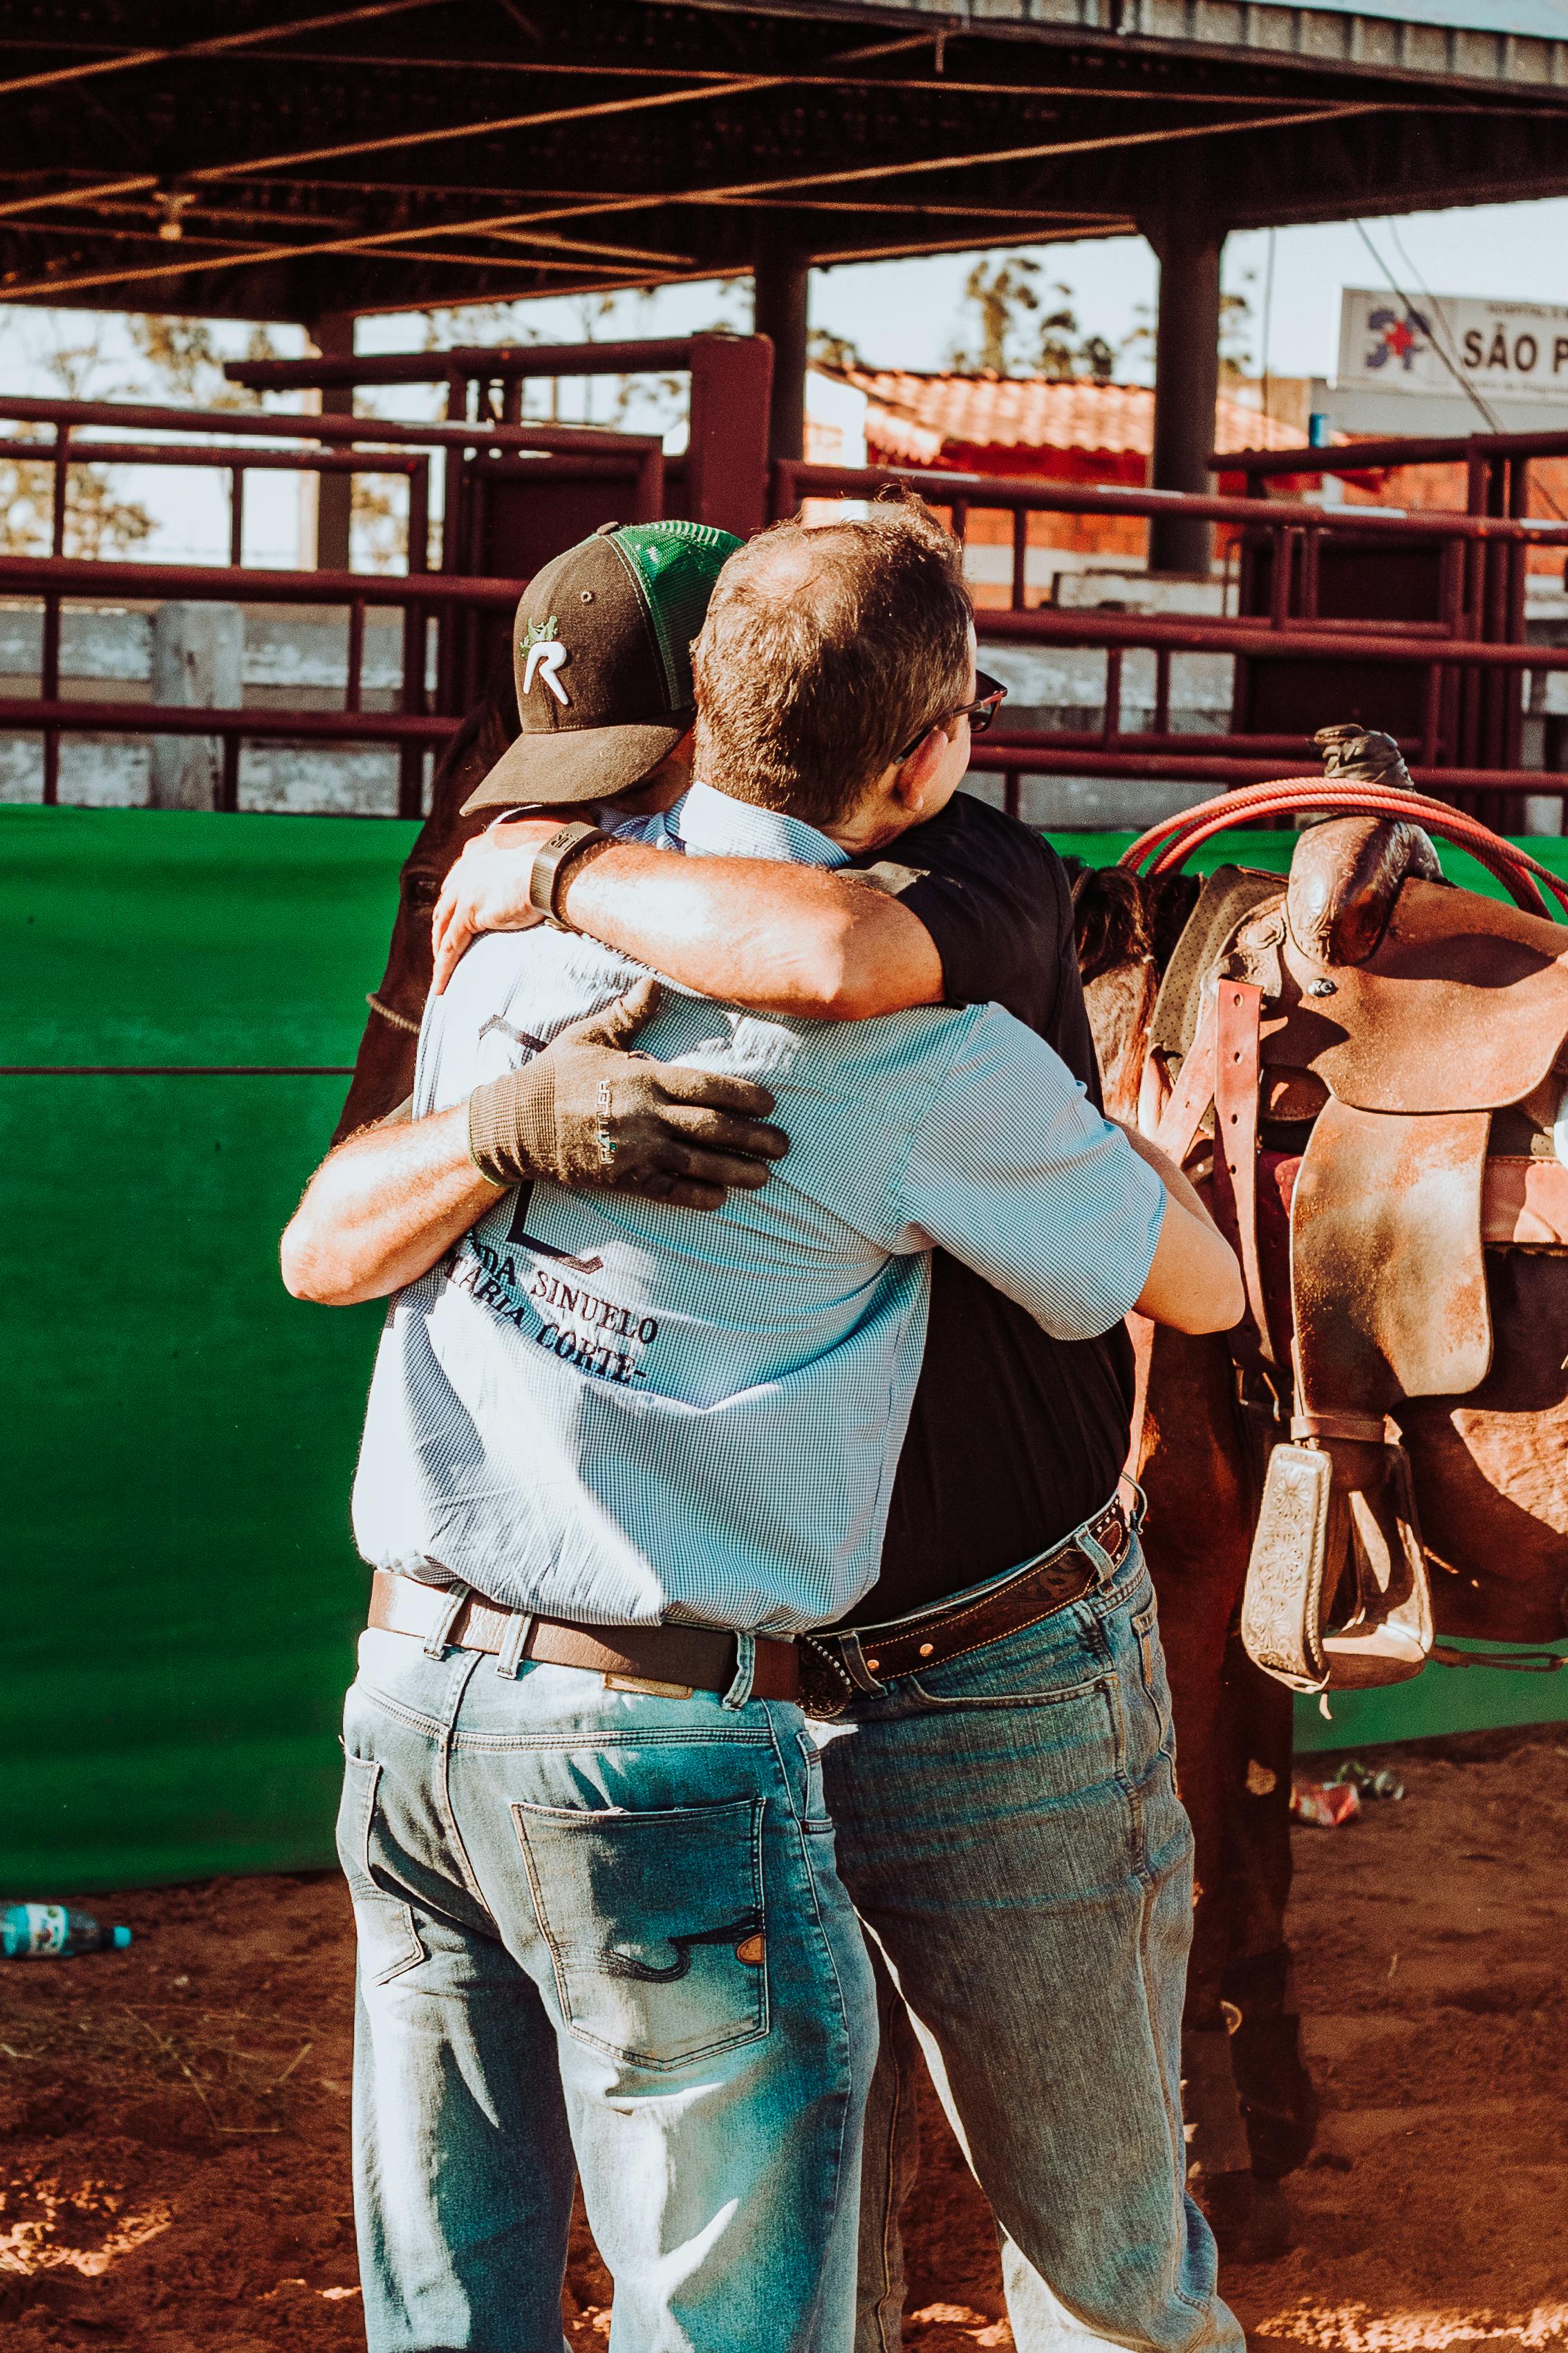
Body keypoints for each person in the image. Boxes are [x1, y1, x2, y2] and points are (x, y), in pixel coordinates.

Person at [283, 507, 1243, 2353]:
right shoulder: (505, 921)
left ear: (712, 723)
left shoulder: (939, 897)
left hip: (956, 1665)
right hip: (699, 1695)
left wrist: (559, 895)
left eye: (608, 779)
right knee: (780, 2283)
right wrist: (495, 1122)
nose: (552, 817)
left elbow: (821, 947)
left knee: (1037, 2254)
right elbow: (328, 1236)